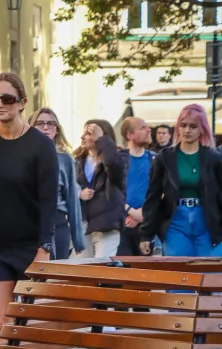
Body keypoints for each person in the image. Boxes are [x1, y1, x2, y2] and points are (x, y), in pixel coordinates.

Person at [0, 72, 58, 349]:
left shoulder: (41, 145)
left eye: (7, 98)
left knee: (38, 331)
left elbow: (49, 201)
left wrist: (44, 248)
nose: (0, 104)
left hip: (31, 247)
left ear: (22, 103)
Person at [141, 104, 222, 257]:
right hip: (176, 221)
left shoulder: (214, 158)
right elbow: (153, 196)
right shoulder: (164, 158)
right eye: (183, 125)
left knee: (209, 273)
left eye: (193, 126)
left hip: (207, 222)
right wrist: (146, 233)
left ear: (202, 129)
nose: (187, 130)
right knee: (178, 272)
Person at [29, 108, 85, 260]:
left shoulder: (65, 159)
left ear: (57, 130)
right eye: (40, 123)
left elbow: (73, 199)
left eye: (51, 123)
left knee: (56, 278)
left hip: (58, 223)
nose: (46, 127)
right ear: (31, 127)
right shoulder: (23, 155)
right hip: (29, 224)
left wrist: (78, 239)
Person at [75, 119, 125, 258]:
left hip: (106, 225)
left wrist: (101, 140)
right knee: (83, 273)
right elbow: (69, 186)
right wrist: (79, 193)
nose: (82, 137)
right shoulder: (78, 160)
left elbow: (114, 168)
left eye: (88, 133)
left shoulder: (119, 157)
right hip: (82, 224)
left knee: (101, 269)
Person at [118, 117, 155, 256]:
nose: (148, 130)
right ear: (129, 135)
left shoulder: (154, 159)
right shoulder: (119, 159)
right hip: (122, 225)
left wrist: (142, 213)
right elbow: (112, 191)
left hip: (146, 227)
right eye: (142, 128)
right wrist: (131, 212)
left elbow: (160, 191)